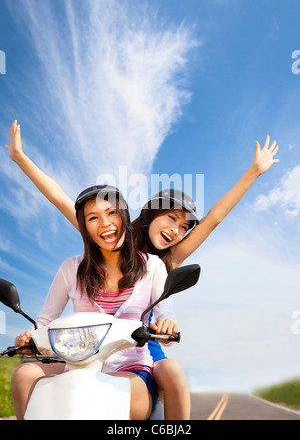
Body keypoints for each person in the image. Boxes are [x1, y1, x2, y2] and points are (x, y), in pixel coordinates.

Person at [6, 120, 280, 418]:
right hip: (84, 349)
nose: (176, 231)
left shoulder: (163, 263)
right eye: (171, 218)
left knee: (170, 374)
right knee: (28, 374)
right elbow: (61, 199)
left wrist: (253, 172)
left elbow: (213, 218)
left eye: (183, 227)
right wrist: (21, 158)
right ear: (149, 214)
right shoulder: (104, 234)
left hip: (140, 343)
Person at [11, 185, 177, 420]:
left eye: (111, 213)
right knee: (23, 375)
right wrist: (30, 336)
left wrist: (166, 324)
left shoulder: (152, 266)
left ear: (125, 216)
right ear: (84, 228)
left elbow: (165, 312)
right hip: (77, 366)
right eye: (93, 217)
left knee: (103, 392)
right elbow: (45, 321)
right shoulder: (70, 269)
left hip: (132, 368)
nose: (105, 223)